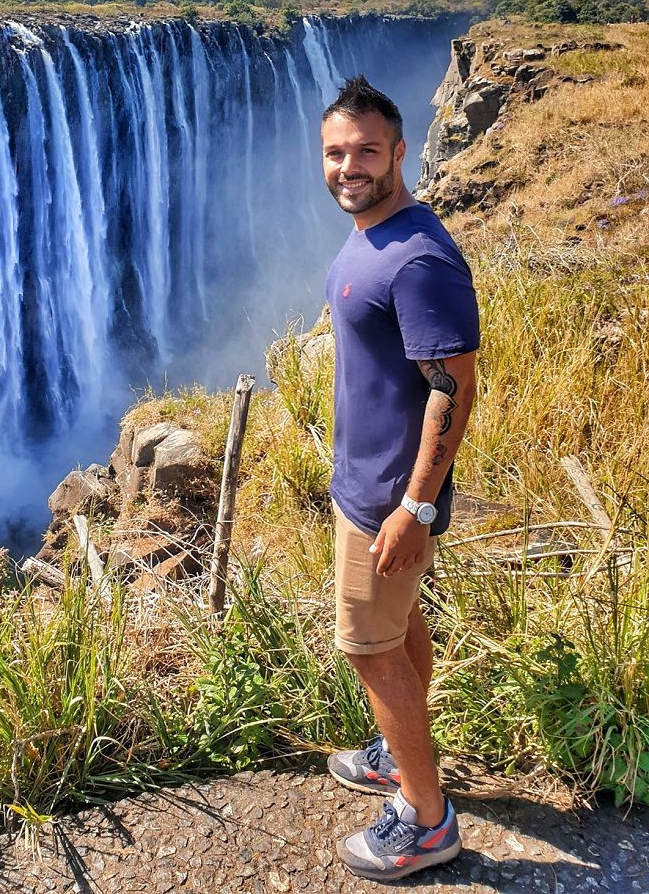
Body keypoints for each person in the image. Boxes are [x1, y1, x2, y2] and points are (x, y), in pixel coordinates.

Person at [320, 75, 479, 882]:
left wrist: (414, 506)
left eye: (366, 151)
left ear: (399, 151)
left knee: (371, 648)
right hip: (371, 489)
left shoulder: (418, 256)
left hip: (389, 499)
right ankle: (397, 755)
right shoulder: (372, 230)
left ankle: (425, 817)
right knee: (401, 626)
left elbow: (455, 384)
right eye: (336, 151)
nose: (350, 165)